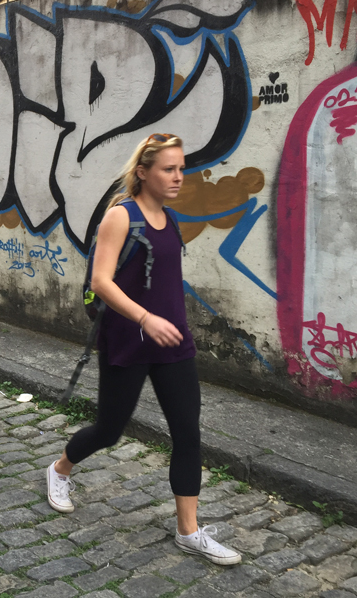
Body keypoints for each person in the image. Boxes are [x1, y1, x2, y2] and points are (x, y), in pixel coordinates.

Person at [45, 133, 242, 566]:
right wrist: (145, 319)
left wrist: (167, 322)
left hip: (173, 342)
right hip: (129, 340)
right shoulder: (121, 217)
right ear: (143, 173)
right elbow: (101, 282)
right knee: (110, 430)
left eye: (181, 168)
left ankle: (188, 530)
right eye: (169, 169)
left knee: (187, 432)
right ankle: (60, 469)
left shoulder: (169, 219)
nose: (178, 176)